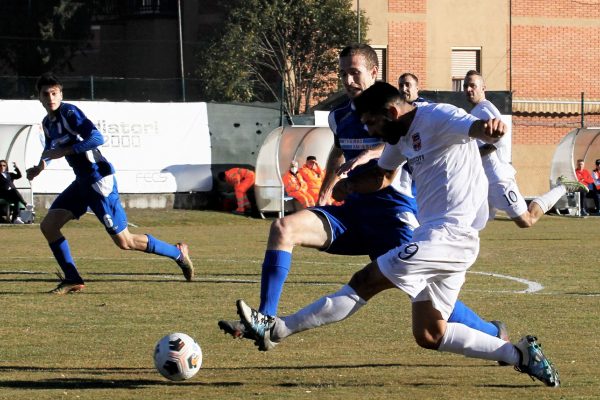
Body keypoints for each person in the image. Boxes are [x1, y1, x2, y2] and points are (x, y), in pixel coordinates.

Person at [235, 81, 560, 388]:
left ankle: (277, 329)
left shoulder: (439, 116)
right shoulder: (399, 138)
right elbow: (383, 175)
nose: (369, 131)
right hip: (439, 237)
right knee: (430, 334)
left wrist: (491, 128)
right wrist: (348, 185)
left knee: (366, 280)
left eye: (371, 123)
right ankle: (520, 354)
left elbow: (474, 129)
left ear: (391, 113)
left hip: (450, 235)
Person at [219, 44, 506, 346]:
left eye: (354, 72)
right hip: (353, 213)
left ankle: (493, 334)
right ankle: (265, 320)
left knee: (427, 302)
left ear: (373, 72)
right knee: (282, 228)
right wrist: (329, 186)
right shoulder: (340, 116)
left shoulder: (409, 111)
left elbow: (407, 138)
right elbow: (339, 152)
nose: (348, 80)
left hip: (394, 218)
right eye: (342, 74)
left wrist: (373, 152)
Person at [27, 73, 194, 294]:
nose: (51, 98)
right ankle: (72, 278)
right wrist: (40, 167)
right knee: (48, 226)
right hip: (82, 183)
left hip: (98, 181)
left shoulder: (69, 112)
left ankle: (177, 253)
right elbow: (50, 149)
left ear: (61, 94)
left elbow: (97, 138)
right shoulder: (48, 123)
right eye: (46, 94)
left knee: (125, 242)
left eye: (54, 93)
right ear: (39, 97)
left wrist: (65, 151)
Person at [464, 70, 586, 226]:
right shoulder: (476, 111)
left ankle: (563, 186)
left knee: (527, 219)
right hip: (483, 179)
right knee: (471, 225)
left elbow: (497, 142)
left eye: (473, 85)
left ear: (483, 88)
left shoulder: (484, 110)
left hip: (497, 178)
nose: (468, 89)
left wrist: (470, 154)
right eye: (466, 86)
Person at [0, 160, 27, 224]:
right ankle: (25, 204)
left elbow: (19, 176)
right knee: (14, 191)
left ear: (6, 166)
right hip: (3, 193)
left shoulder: (9, 174)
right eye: (0, 165)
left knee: (16, 200)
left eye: (4, 165)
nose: (2, 167)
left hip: (11, 193)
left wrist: (16, 167)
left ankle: (14, 219)